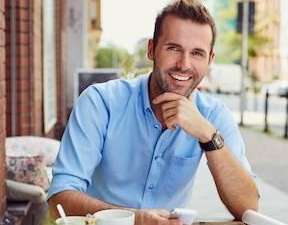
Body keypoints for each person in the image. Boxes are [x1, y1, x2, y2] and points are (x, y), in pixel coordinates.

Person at [48, 0, 259, 224]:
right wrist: (133, 219)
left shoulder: (214, 116)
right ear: (152, 50)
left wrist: (208, 136)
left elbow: (248, 208)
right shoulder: (100, 102)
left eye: (197, 53)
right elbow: (59, 199)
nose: (184, 64)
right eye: (173, 48)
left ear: (210, 60)